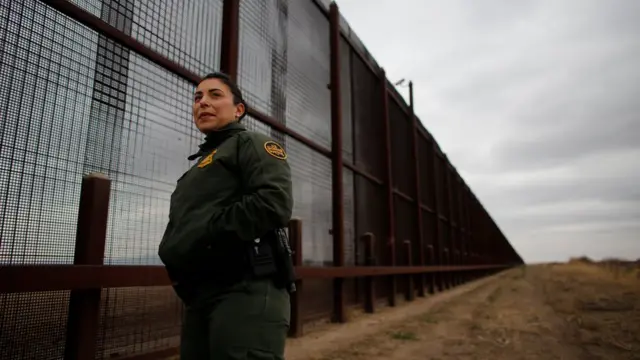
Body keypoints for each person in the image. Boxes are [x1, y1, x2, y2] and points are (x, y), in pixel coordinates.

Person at [158, 72, 293, 359]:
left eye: (214, 95)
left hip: (246, 291)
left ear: (238, 110)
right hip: (201, 294)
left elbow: (273, 202)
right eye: (198, 97)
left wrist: (207, 233)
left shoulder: (252, 143)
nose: (202, 102)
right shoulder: (195, 169)